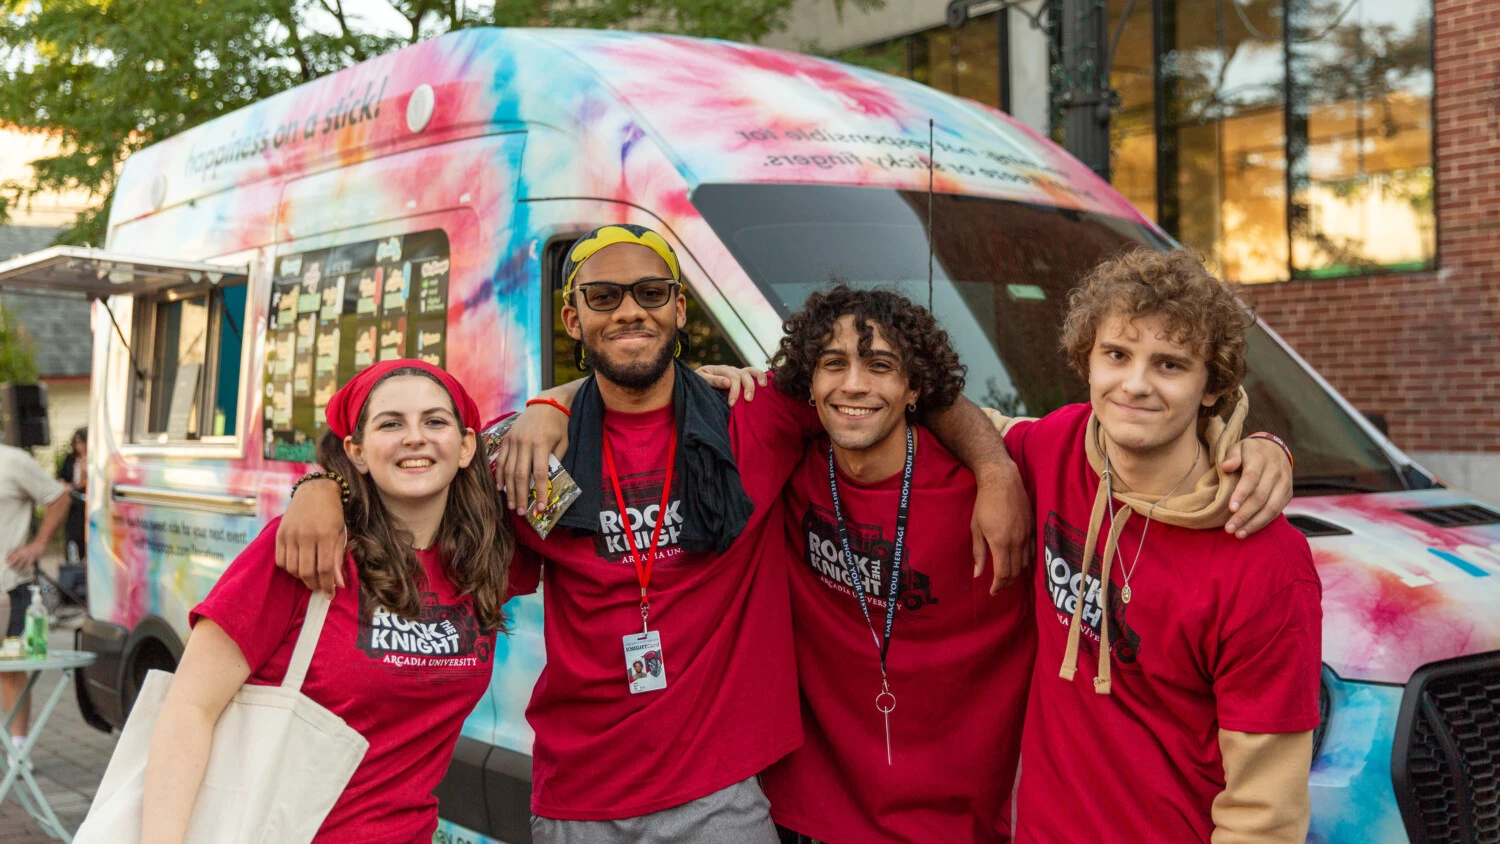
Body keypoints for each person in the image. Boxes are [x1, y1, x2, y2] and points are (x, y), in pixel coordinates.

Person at [277, 224, 1033, 843]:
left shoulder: (758, 417)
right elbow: (412, 490)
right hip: (576, 797)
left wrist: (996, 471)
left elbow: (906, 385)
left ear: (678, 311)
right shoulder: (529, 454)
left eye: (652, 293)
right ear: (574, 319)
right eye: (604, 296)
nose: (630, 311)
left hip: (721, 795)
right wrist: (324, 486)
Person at [991, 248, 1320, 842]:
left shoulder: (1264, 561)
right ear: (1087, 360)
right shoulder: (1060, 445)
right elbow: (964, 422)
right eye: (1116, 354)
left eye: (1169, 364)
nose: (1134, 385)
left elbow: (1264, 814)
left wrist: (1271, 443)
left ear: (1213, 386)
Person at [141, 360, 515, 843]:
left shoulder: (483, 558)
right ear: (356, 452)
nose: (415, 437)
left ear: (465, 447)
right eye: (391, 424)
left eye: (435, 421)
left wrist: (552, 405)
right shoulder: (306, 549)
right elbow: (189, 706)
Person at [752, 287, 1036, 844]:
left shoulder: (992, 483)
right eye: (833, 364)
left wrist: (1261, 444)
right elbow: (643, 395)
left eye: (880, 366)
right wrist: (553, 403)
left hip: (957, 823)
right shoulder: (786, 467)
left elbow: (1122, 450)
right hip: (811, 816)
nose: (853, 384)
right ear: (808, 384)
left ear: (915, 389)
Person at [0, 440, 71, 752]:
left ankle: (18, 750)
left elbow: (58, 496)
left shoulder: (13, 461)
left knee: (9, 669)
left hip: (9, 586)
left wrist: (39, 545)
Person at [58, 428, 87, 565]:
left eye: (82, 442)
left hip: (87, 501)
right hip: (74, 500)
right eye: (77, 443)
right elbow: (62, 477)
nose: (79, 446)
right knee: (73, 533)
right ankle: (74, 560)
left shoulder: (93, 459)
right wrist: (67, 486)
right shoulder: (70, 459)